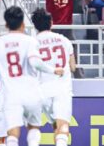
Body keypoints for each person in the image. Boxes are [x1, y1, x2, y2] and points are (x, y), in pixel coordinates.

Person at [0, 6, 62, 146]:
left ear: (6, 24)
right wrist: (53, 70)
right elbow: (36, 63)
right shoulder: (30, 41)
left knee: (13, 132)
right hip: (31, 92)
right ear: (23, 23)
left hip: (11, 94)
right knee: (33, 127)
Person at [42, 0, 97, 78]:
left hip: (67, 29)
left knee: (74, 52)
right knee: (51, 54)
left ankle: (79, 77)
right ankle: (50, 76)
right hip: (53, 29)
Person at [31, 8, 76, 146]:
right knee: (63, 127)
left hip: (42, 91)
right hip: (61, 89)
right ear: (51, 23)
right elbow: (73, 67)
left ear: (35, 25)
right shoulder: (64, 40)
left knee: (56, 125)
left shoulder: (31, 43)